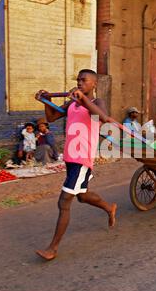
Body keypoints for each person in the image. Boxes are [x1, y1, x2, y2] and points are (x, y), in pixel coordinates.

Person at [34, 69, 117, 261]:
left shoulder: (97, 102)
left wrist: (83, 100)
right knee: (82, 195)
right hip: (70, 157)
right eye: (78, 80)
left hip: (82, 159)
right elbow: (52, 117)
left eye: (84, 80)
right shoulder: (72, 101)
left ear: (94, 84)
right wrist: (46, 100)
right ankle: (109, 208)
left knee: (64, 201)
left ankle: (52, 248)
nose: (79, 83)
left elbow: (103, 118)